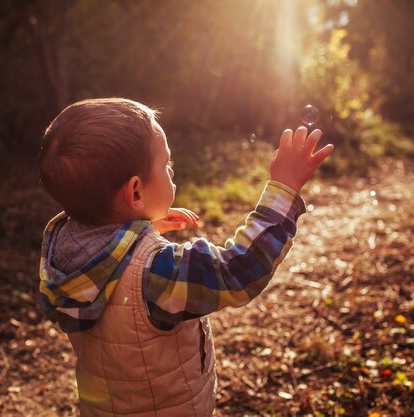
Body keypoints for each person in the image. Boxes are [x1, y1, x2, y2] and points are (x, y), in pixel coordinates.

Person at [38, 97, 334, 417]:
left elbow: (109, 252)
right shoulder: (158, 273)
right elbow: (238, 270)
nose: (172, 168)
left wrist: (140, 226)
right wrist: (284, 188)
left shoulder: (63, 247)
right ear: (135, 193)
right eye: (166, 162)